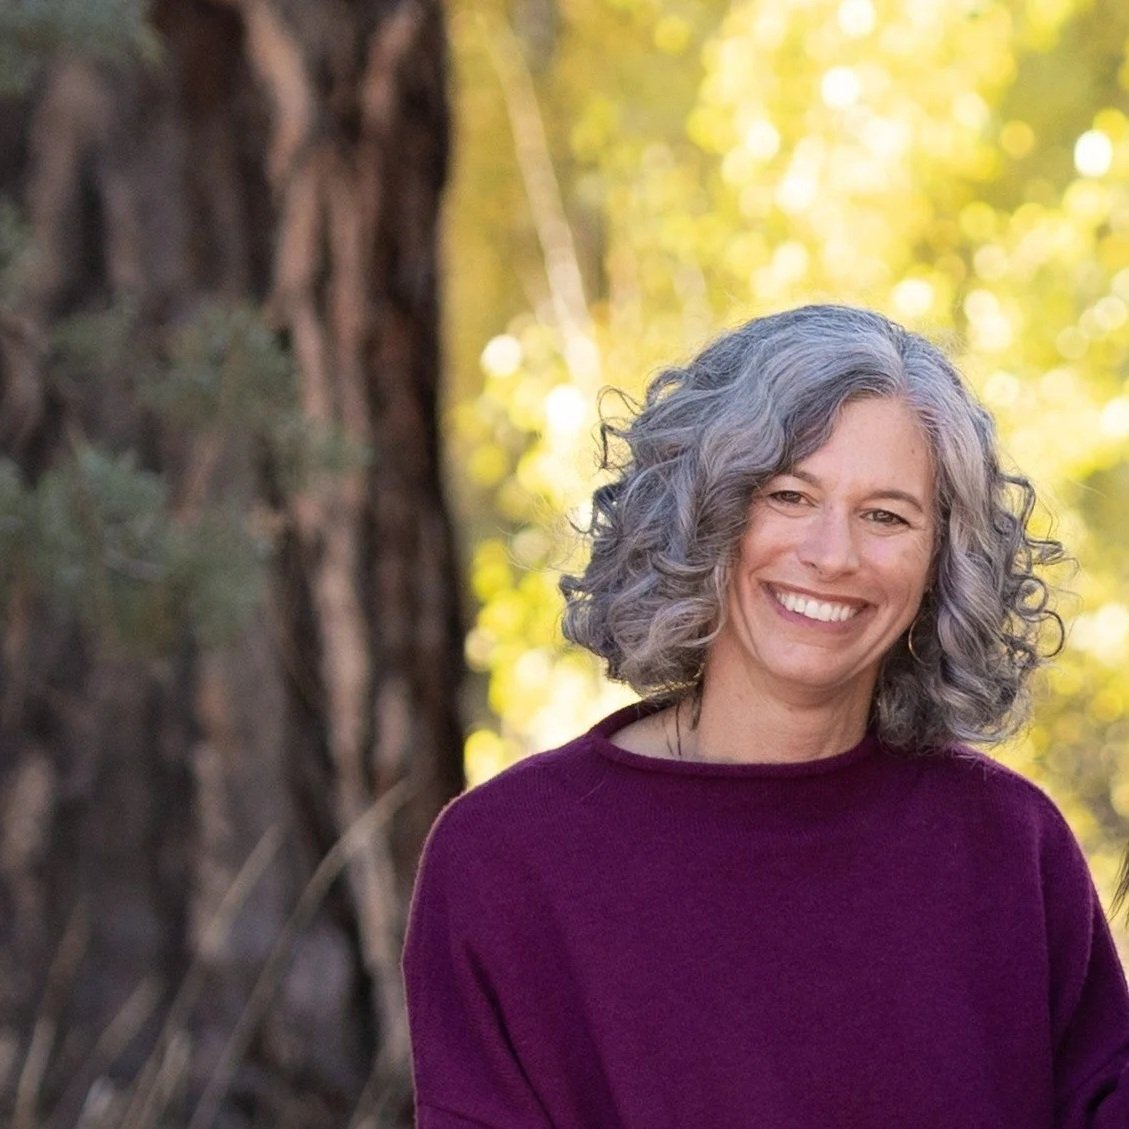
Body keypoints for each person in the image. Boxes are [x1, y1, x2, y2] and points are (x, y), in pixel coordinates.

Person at [402, 305, 1129, 1127]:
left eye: (885, 514)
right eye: (788, 495)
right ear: (703, 515)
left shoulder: (1008, 846)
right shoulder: (508, 858)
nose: (831, 553)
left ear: (941, 561)